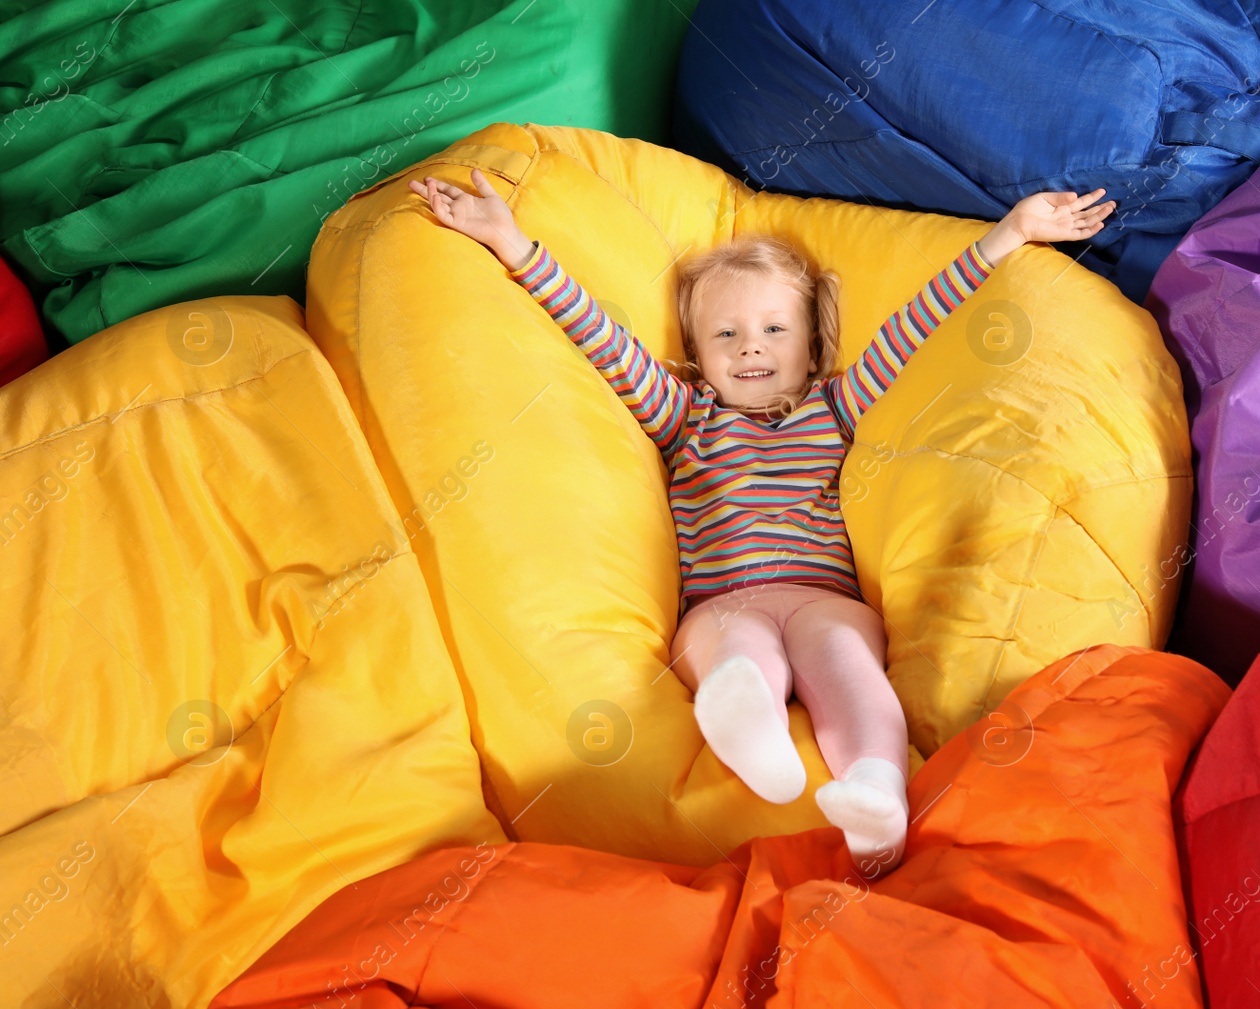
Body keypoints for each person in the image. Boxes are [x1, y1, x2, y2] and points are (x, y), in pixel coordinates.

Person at [409, 168, 1113, 874]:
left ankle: (875, 792)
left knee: (847, 666)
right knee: (731, 645)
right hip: (725, 602)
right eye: (727, 333)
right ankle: (752, 727)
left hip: (823, 598)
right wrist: (509, 242)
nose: (751, 347)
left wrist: (1010, 233)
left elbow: (918, 321)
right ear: (697, 352)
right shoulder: (684, 417)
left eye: (775, 329)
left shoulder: (834, 406)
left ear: (811, 347)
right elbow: (602, 338)